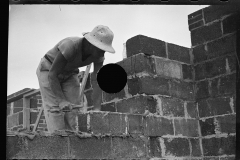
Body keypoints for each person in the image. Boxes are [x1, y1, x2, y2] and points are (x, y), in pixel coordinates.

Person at [36, 25, 115, 133]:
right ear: (91, 44)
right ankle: (58, 142)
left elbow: (96, 80)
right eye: (101, 48)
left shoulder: (99, 57)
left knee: (74, 112)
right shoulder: (70, 46)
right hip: (48, 69)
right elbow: (52, 75)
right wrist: (61, 100)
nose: (103, 53)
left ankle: (73, 143)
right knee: (55, 110)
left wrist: (97, 109)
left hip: (69, 73)